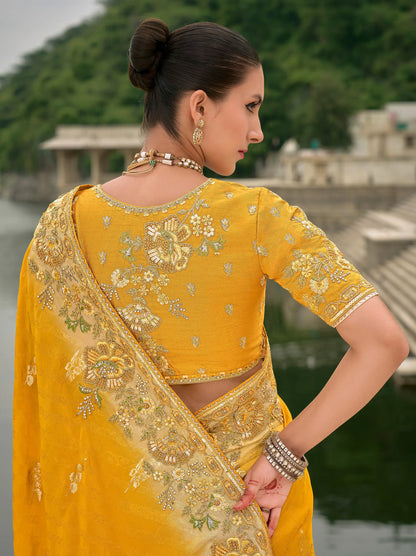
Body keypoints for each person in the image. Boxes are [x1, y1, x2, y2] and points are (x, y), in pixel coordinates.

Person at [13, 18, 408, 556]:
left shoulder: (62, 225)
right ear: (199, 107)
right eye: (250, 106)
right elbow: (385, 343)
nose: (258, 131)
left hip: (112, 524)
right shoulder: (256, 216)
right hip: (246, 507)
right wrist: (285, 454)